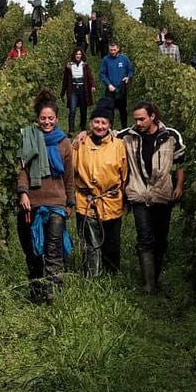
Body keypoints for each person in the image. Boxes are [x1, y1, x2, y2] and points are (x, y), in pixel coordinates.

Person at [120, 102, 185, 294]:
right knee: (144, 238)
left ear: (152, 117)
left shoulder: (171, 136)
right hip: (139, 192)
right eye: (136, 119)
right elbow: (103, 131)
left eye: (142, 119)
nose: (138, 123)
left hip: (162, 194)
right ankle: (148, 285)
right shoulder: (127, 135)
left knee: (161, 239)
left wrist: (179, 185)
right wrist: (82, 134)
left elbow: (180, 162)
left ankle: (154, 279)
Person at [16, 90, 74, 302]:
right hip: (32, 202)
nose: (47, 122)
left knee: (53, 250)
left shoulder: (65, 143)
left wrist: (70, 201)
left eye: (51, 118)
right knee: (32, 250)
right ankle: (35, 292)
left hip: (56, 204)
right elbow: (22, 169)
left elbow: (69, 176)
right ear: (37, 119)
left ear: (57, 119)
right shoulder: (28, 138)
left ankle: (53, 295)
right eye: (43, 118)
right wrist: (22, 193)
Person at [74, 99, 128, 277]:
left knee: (112, 241)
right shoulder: (80, 144)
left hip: (111, 200)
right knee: (90, 242)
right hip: (86, 201)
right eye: (96, 122)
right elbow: (72, 171)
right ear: (91, 123)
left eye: (104, 122)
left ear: (110, 125)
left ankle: (112, 273)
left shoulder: (119, 145)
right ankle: (91, 276)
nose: (100, 126)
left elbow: (124, 173)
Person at [98, 40, 134, 128]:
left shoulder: (124, 58)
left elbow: (130, 70)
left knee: (123, 110)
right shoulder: (106, 60)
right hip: (110, 89)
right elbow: (102, 74)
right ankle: (110, 129)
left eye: (114, 50)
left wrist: (128, 77)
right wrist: (108, 84)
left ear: (118, 49)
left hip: (121, 88)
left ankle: (124, 128)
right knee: (110, 110)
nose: (113, 52)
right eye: (111, 50)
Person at [61, 47, 95, 131]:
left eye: (79, 54)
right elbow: (65, 80)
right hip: (73, 89)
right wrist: (63, 92)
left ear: (81, 55)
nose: (78, 56)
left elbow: (89, 77)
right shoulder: (69, 66)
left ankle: (83, 126)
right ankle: (71, 129)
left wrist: (92, 85)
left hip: (83, 89)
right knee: (72, 110)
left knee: (83, 109)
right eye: (77, 54)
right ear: (74, 55)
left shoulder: (85, 65)